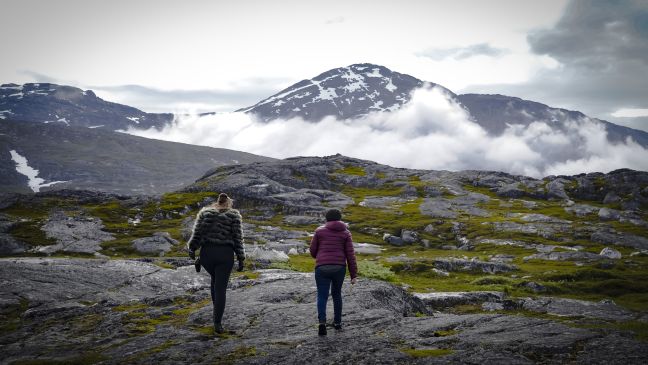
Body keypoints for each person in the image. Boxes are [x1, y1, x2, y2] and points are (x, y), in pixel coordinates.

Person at [187, 193, 245, 334]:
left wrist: (192, 248)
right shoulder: (234, 215)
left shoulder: (205, 213)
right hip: (225, 255)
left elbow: (197, 234)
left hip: (207, 254)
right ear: (228, 203)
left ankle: (199, 261)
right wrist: (241, 258)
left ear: (216, 203)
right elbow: (238, 238)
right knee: (220, 288)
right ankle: (217, 323)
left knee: (214, 280)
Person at [309, 208, 358, 336]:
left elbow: (312, 251)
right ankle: (337, 323)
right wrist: (353, 275)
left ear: (327, 218)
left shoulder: (319, 231)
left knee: (322, 295)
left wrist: (320, 257)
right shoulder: (346, 233)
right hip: (339, 268)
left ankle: (322, 323)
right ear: (340, 218)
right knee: (337, 294)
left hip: (322, 267)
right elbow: (350, 255)